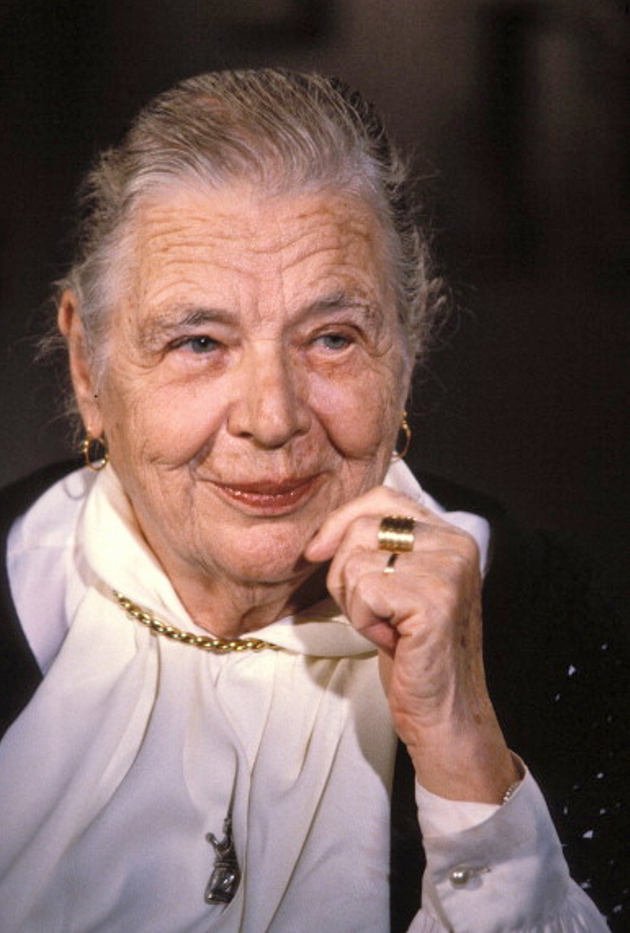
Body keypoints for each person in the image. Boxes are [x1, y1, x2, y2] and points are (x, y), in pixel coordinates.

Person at [0, 69, 625, 933]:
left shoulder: (560, 623)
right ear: (88, 369)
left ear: (406, 349)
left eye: (332, 338)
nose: (273, 418)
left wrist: (466, 759)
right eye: (199, 341)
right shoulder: (19, 587)